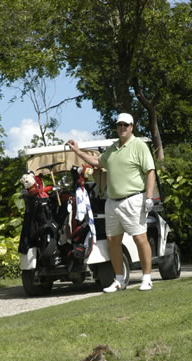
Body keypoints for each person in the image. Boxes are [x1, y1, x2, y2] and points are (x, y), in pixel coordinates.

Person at [66, 113, 156, 292]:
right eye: (119, 125)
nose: (122, 127)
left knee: (140, 238)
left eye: (125, 125)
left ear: (132, 127)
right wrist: (77, 151)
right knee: (112, 240)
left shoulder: (139, 146)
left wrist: (149, 197)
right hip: (112, 201)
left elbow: (150, 171)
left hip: (133, 198)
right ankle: (119, 280)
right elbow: (97, 162)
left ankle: (147, 278)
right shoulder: (113, 148)